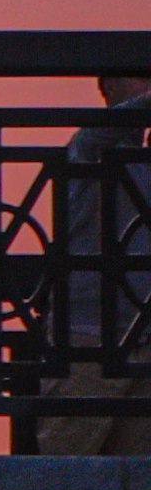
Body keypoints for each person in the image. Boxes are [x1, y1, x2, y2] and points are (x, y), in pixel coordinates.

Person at [29, 63, 151, 456]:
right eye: (141, 75)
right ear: (108, 87)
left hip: (141, 340)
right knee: (65, 475)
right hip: (88, 338)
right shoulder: (88, 145)